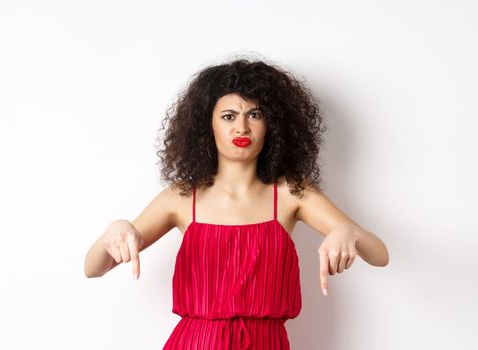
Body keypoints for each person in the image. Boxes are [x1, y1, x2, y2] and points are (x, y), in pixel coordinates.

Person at [83, 57, 390, 349]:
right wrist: (115, 229)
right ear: (208, 125)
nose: (242, 128)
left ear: (272, 125)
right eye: (229, 116)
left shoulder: (291, 194)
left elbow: (380, 255)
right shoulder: (180, 198)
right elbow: (93, 268)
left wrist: (349, 231)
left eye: (254, 115)